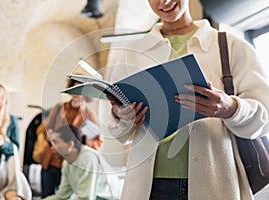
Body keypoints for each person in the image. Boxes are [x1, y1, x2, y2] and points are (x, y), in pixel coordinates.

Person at [100, 0, 269, 199]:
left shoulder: (232, 46)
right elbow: (112, 126)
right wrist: (121, 114)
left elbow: (264, 116)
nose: (165, 2)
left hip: (213, 182)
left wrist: (230, 108)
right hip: (148, 188)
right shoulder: (131, 53)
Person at [38, 78, 104, 198]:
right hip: (51, 159)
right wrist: (53, 139)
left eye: (80, 90)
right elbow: (44, 130)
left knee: (66, 195)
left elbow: (98, 141)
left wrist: (82, 141)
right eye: (74, 89)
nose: (76, 94)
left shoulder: (89, 115)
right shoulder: (58, 108)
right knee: (46, 194)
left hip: (71, 161)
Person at [44, 125, 121, 200]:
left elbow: (85, 198)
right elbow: (61, 196)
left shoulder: (87, 158)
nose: (52, 147)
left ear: (70, 144)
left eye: (56, 142)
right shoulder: (67, 163)